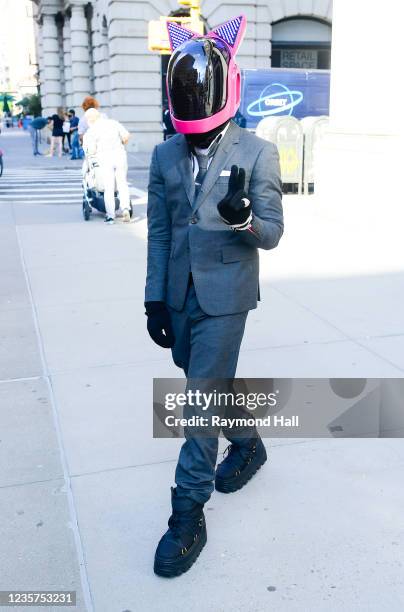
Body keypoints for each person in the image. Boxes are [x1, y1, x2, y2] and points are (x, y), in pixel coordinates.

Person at [145, 15, 284, 578]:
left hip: (226, 297)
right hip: (179, 298)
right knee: (205, 379)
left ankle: (187, 513)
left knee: (197, 402)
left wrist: (244, 217)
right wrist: (154, 298)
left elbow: (271, 234)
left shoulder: (257, 152)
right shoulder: (164, 155)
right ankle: (249, 443)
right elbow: (159, 231)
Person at [82, 108, 131, 224]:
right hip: (120, 155)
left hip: (105, 158)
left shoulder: (92, 130)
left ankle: (110, 216)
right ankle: (125, 208)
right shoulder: (114, 123)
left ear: (90, 120)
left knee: (108, 187)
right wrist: (121, 143)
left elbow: (91, 150)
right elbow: (126, 136)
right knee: (122, 183)